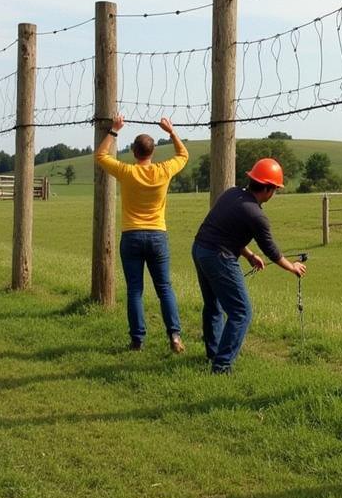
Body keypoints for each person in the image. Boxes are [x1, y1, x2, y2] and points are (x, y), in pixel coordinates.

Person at [192, 157, 308, 374]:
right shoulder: (256, 214)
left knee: (213, 305)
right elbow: (272, 251)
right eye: (275, 188)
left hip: (200, 250)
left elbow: (223, 230)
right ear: (268, 189)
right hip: (219, 257)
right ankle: (222, 365)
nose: (274, 193)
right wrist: (292, 267)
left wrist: (248, 254)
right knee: (241, 312)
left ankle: (214, 353)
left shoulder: (232, 193)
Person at [95, 115, 189, 352]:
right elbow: (183, 155)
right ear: (152, 152)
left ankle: (137, 340)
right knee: (164, 288)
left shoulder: (127, 172)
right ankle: (175, 336)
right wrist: (171, 131)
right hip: (158, 235)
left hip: (132, 235)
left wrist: (114, 131)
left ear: (134, 152)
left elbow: (101, 156)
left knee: (135, 290)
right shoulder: (163, 171)